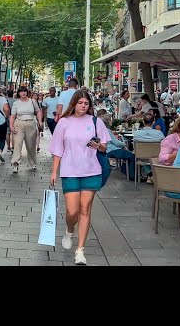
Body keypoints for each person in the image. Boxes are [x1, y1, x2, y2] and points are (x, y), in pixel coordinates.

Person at [49, 90, 110, 265]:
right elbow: (57, 149)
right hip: (69, 171)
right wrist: (54, 171)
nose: (83, 106)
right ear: (74, 103)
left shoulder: (96, 122)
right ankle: (69, 230)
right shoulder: (64, 122)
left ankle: (80, 250)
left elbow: (105, 147)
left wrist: (99, 146)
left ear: (90, 105)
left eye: (86, 103)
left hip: (92, 170)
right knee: (72, 211)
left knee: (85, 209)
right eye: (80, 103)